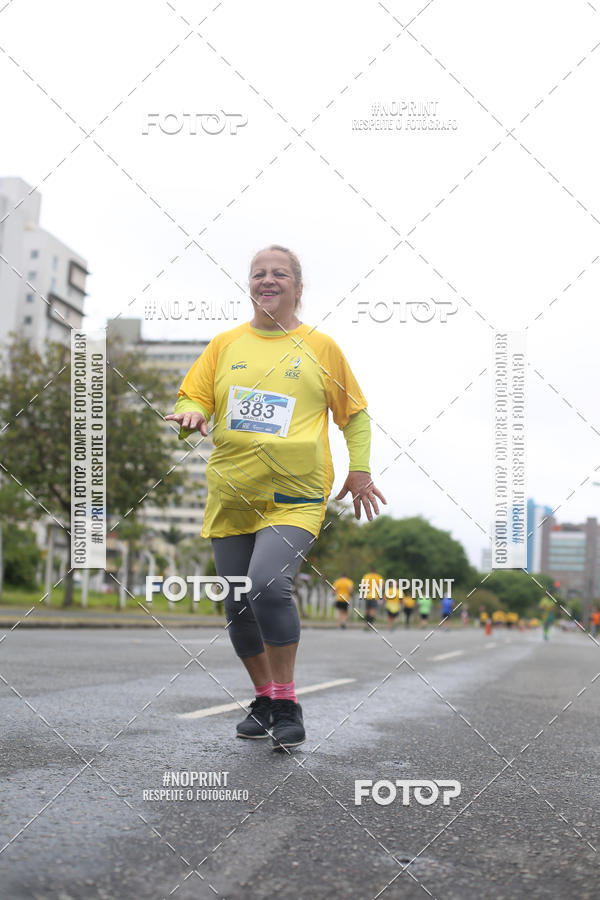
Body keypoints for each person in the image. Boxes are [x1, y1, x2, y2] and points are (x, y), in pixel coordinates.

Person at [165, 245, 386, 751]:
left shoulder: (320, 347)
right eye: (259, 273)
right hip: (232, 494)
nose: (268, 280)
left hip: (296, 495)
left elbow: (354, 414)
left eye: (279, 274)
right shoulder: (224, 344)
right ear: (250, 284)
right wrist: (193, 414)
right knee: (238, 604)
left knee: (267, 584)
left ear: (298, 288)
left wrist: (360, 470)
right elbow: (192, 396)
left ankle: (287, 703)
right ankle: (263, 698)